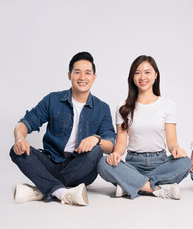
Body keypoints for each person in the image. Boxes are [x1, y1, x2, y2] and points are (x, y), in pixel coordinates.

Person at [10, 52, 115, 206]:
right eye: (77, 72)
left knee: (96, 151)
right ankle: (60, 192)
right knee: (16, 150)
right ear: (69, 75)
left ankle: (42, 189)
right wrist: (20, 139)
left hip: (81, 168)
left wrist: (96, 139)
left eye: (87, 73)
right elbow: (24, 123)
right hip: (51, 162)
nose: (82, 77)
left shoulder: (102, 108)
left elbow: (111, 145)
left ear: (94, 77)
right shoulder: (53, 100)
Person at [97, 55, 191, 200]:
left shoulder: (168, 105)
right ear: (132, 77)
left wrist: (176, 150)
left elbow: (172, 141)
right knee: (103, 163)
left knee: (185, 162)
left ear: (155, 75)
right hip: (134, 163)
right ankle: (156, 189)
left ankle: (131, 184)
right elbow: (121, 142)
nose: (142, 77)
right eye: (137, 72)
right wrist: (116, 154)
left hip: (160, 162)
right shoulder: (123, 106)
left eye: (147, 72)